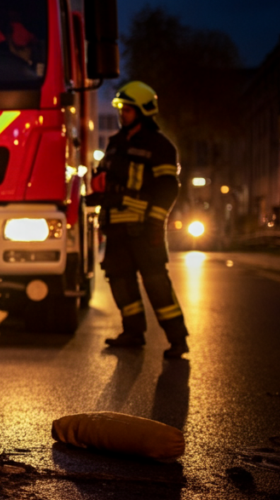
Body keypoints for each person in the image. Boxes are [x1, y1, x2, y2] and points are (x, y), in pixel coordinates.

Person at [89, 80, 189, 359]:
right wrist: (99, 193)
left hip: (145, 230)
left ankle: (178, 340)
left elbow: (168, 188)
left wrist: (156, 223)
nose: (122, 115)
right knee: (120, 281)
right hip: (116, 228)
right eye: (121, 110)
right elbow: (105, 180)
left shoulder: (160, 146)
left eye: (128, 110)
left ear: (144, 110)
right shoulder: (115, 144)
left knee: (157, 284)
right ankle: (133, 332)